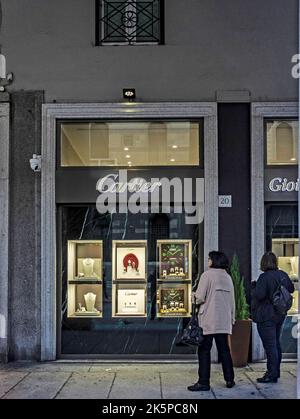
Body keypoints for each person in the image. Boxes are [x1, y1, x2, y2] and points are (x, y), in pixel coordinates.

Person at [188, 251, 236, 392]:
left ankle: (203, 382)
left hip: (208, 319)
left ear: (213, 260)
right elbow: (232, 300)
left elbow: (200, 297)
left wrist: (192, 295)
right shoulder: (227, 277)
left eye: (209, 258)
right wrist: (232, 318)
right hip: (223, 320)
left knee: (204, 350)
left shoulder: (207, 275)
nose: (208, 260)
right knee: (224, 350)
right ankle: (230, 379)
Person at [251, 252, 294, 383]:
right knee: (275, 344)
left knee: (270, 346)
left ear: (263, 263)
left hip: (266, 315)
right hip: (279, 314)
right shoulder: (283, 275)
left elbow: (259, 295)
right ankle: (275, 371)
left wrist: (254, 286)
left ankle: (271, 374)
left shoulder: (264, 277)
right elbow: (291, 289)